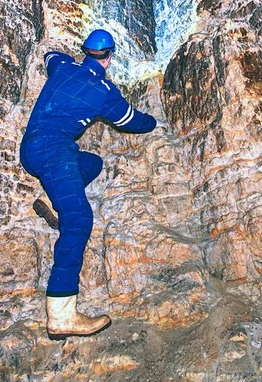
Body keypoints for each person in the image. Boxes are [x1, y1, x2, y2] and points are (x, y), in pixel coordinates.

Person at [20, 29, 157, 340]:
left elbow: (51, 56)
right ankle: (62, 316)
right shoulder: (103, 90)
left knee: (92, 162)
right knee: (80, 220)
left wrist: (64, 57)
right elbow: (131, 120)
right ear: (109, 57)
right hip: (54, 151)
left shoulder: (65, 67)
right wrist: (154, 122)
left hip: (31, 148)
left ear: (86, 52)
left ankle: (59, 200)